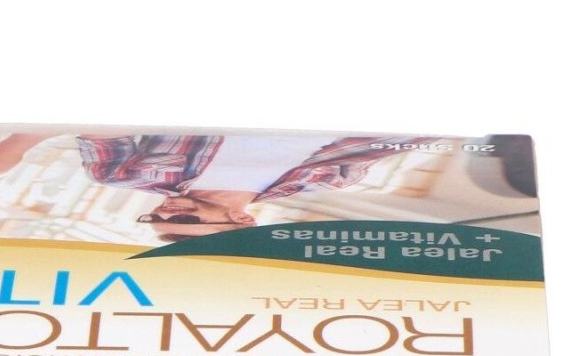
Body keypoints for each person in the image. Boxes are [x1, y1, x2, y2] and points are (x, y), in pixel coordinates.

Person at [77, 131, 441, 240]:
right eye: (187, 220)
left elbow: (100, 124)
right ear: (243, 220)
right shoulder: (329, 180)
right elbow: (392, 140)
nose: (166, 212)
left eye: (154, 218)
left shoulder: (123, 174)